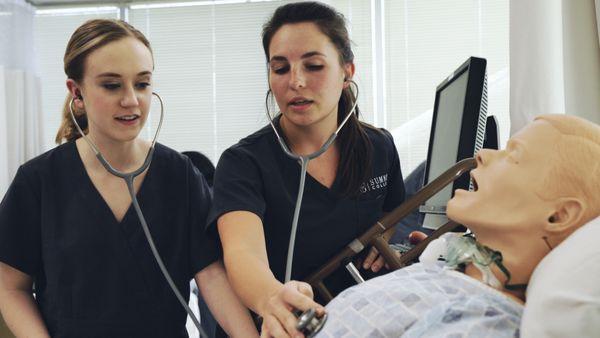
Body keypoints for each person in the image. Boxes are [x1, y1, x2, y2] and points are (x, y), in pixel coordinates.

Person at [0, 19, 257, 338]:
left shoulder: (180, 175)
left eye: (142, 84)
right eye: (112, 85)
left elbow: (211, 274)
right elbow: (10, 286)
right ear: (76, 92)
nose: (132, 100)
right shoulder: (38, 182)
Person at [209, 2, 405, 337]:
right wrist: (272, 298)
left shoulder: (379, 147)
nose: (296, 82)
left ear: (347, 71)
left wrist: (384, 238)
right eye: (280, 68)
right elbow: (242, 253)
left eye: (313, 65)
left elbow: (393, 213)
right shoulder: (243, 163)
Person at [316, 114, 600, 337]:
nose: (483, 154)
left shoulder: (481, 324)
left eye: (514, 156)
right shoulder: (452, 273)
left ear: (558, 216)